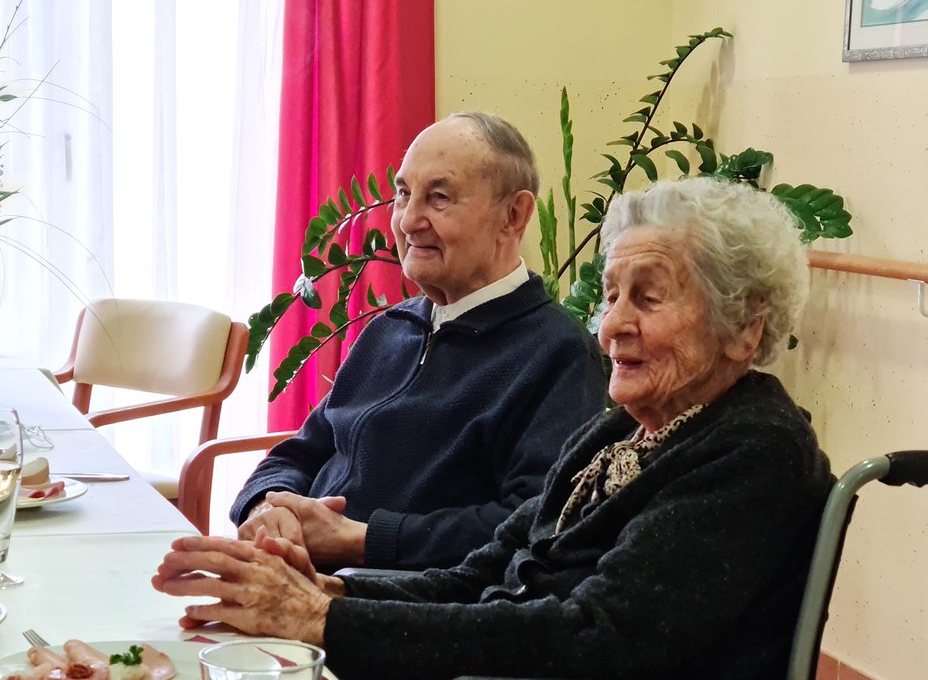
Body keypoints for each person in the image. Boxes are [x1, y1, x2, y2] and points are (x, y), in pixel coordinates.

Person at [154, 177, 833, 680]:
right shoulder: (618, 434)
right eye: (612, 294)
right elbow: (483, 574)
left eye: (648, 297)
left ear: (745, 325)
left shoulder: (755, 448)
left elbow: (594, 633)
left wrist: (321, 618)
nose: (612, 324)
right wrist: (326, 590)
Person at [231, 111, 607, 571]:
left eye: (439, 198)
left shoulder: (557, 354)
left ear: (514, 215)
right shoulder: (390, 330)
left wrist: (363, 541)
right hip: (292, 571)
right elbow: (299, 453)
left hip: (400, 609)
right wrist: (266, 510)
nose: (408, 221)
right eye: (403, 194)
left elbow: (535, 522)